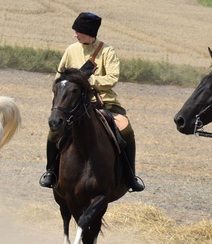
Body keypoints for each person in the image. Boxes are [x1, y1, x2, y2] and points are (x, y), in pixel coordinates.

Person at [39, 12, 145, 192]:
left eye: (78, 31)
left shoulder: (107, 51)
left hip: (103, 102)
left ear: (89, 32)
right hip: (73, 105)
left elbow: (112, 78)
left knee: (126, 129)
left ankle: (130, 175)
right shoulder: (71, 50)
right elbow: (59, 78)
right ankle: (50, 171)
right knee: (54, 131)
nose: (75, 35)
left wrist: (87, 82)